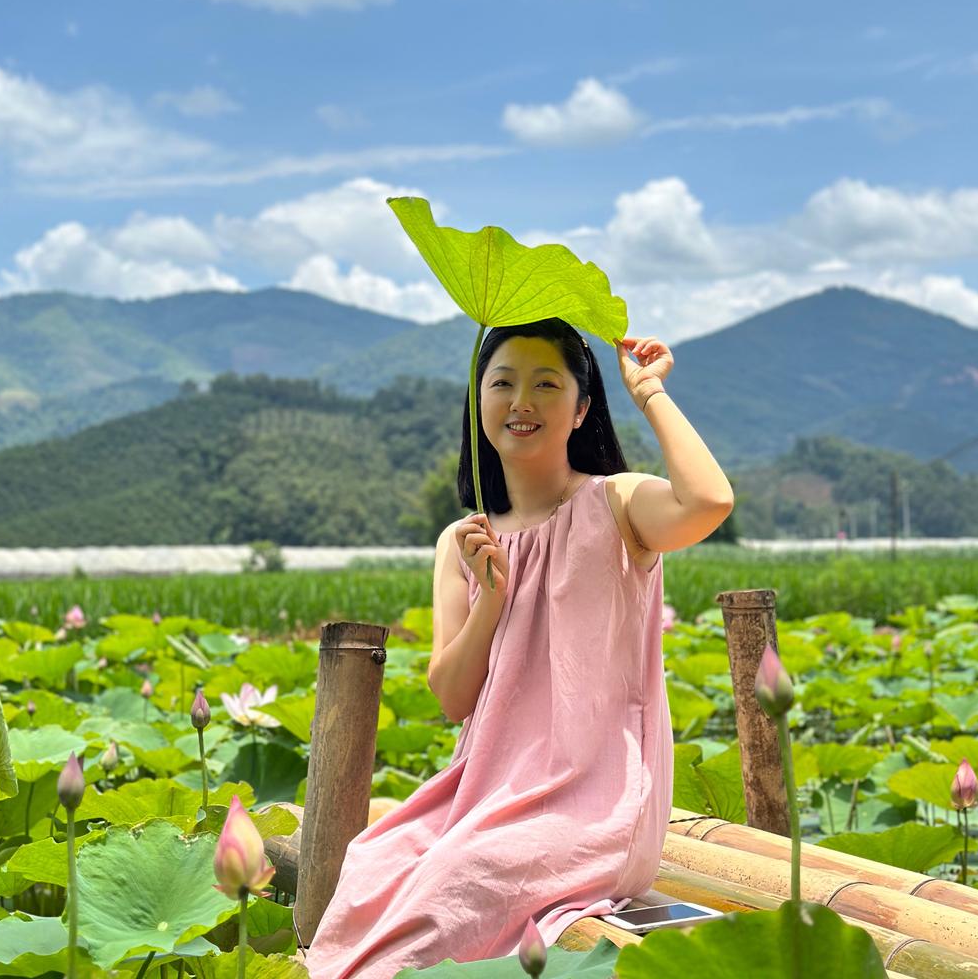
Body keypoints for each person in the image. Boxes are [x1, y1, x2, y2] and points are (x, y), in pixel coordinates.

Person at [304, 317, 734, 978]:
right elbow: (452, 698)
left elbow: (709, 500)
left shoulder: (616, 506)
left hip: (597, 802)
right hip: (481, 792)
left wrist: (649, 391)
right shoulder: (460, 540)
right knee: (375, 859)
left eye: (545, 384)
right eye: (502, 382)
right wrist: (492, 599)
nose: (521, 402)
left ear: (582, 407)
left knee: (457, 875)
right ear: (479, 401)